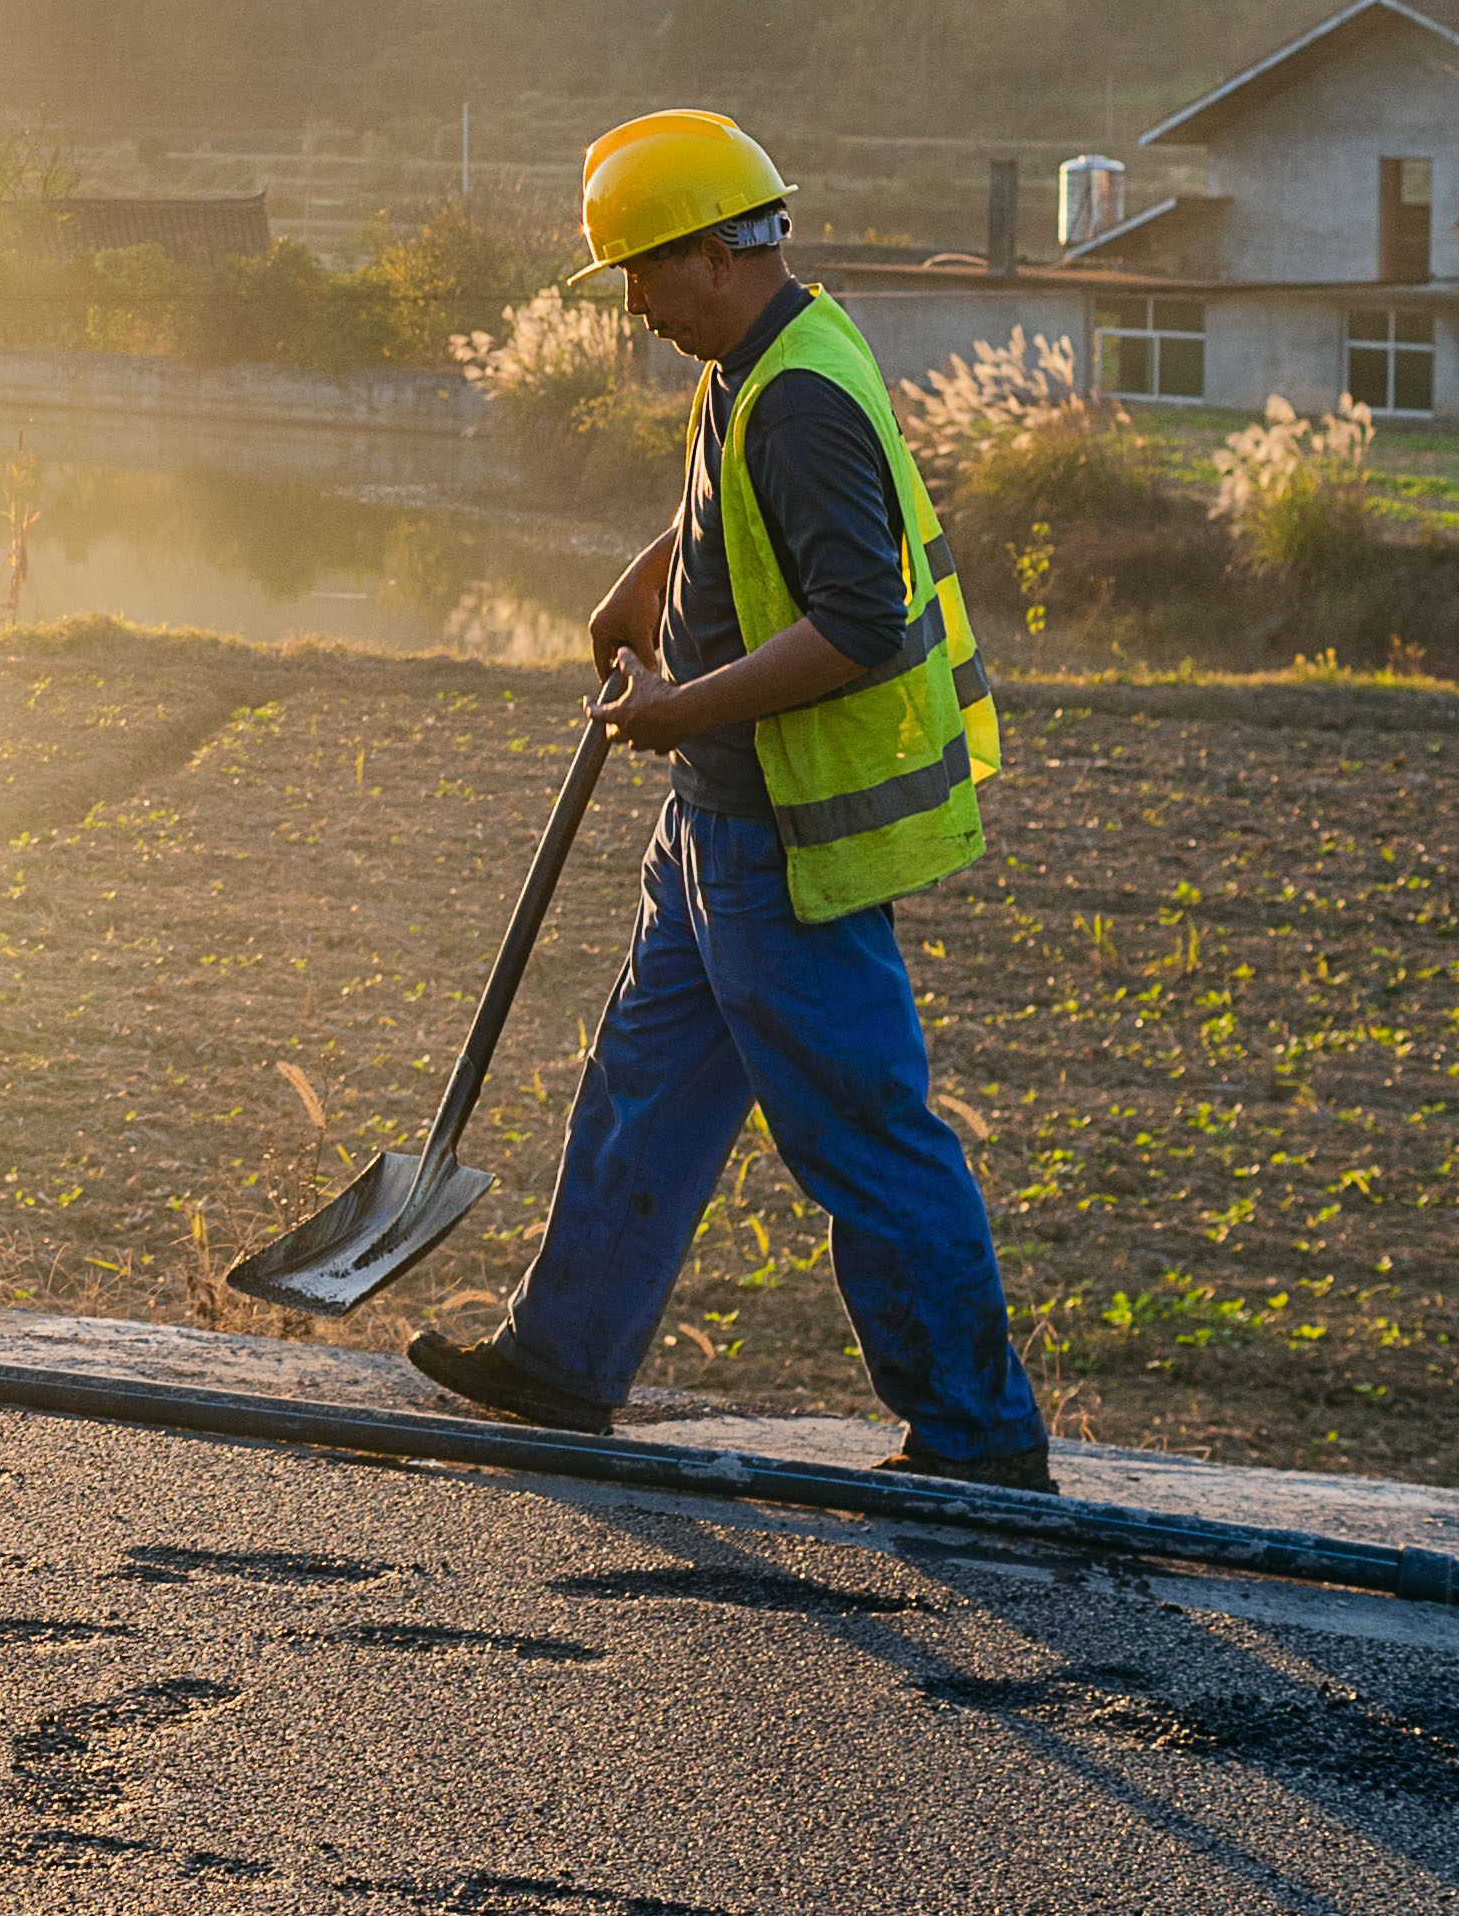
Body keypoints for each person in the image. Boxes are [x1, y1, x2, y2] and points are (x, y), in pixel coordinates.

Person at [408, 109, 1052, 1490]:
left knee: (864, 1134)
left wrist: (672, 710)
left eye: (639, 272)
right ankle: (560, 1361)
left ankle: (979, 1440)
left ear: (711, 254)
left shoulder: (805, 392)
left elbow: (860, 626)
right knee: (641, 1093)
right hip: (711, 826)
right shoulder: (757, 360)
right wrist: (645, 581)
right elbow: (727, 496)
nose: (631, 306)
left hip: (783, 840)